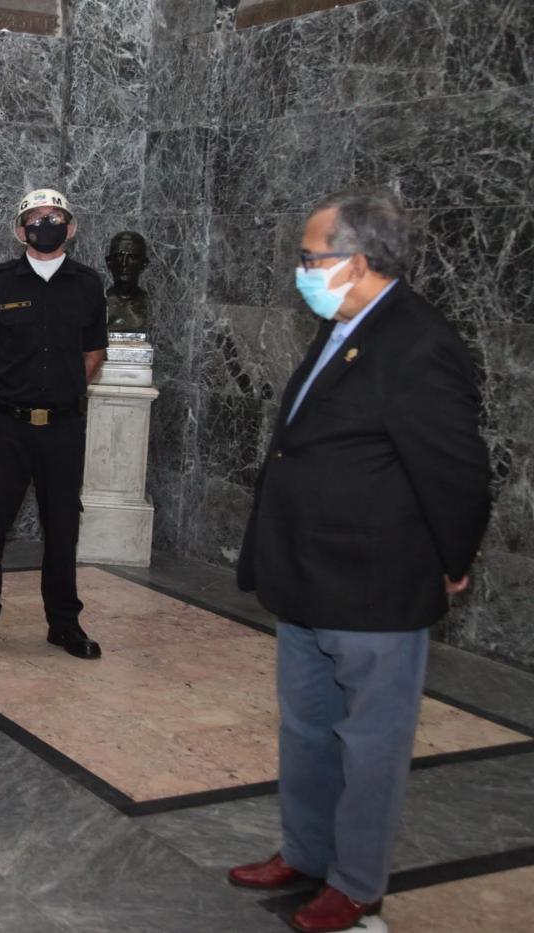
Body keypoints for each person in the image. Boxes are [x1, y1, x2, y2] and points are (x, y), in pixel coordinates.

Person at [229, 190, 491, 933]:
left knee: (370, 743)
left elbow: (458, 470)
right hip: (307, 573)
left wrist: (454, 557)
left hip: (376, 582)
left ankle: (355, 882)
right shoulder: (344, 323)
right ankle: (306, 853)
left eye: (312, 258)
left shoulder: (417, 341)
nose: (302, 271)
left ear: (361, 259)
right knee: (308, 730)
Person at [0, 188, 107, 661]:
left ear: (72, 226)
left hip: (63, 428)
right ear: (21, 230)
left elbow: (94, 355)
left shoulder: (88, 284)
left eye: (56, 216)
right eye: (38, 218)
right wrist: (20, 389)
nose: (48, 224)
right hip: (10, 426)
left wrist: (57, 391)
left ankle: (64, 624)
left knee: (62, 527)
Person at [104, 231, 151, 333]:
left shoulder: (153, 306)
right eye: (118, 256)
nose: (124, 263)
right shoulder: (97, 305)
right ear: (108, 262)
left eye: (132, 257)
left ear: (144, 264)